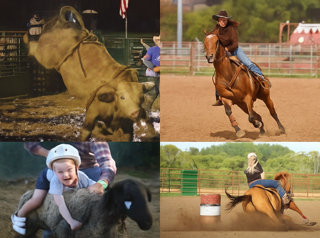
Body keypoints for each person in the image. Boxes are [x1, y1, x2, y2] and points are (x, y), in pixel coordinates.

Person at [11, 144, 96, 235]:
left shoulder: (81, 176)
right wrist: (71, 222)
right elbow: (60, 205)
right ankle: (18, 216)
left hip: (61, 177)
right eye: (60, 171)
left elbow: (96, 186)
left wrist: (100, 186)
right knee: (37, 199)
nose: (66, 175)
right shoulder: (56, 181)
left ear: (76, 168)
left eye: (69, 170)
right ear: (54, 172)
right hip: (46, 177)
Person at [210, 10, 266, 106]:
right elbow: (211, 36)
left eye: (224, 20)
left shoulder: (231, 29)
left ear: (227, 21)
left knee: (247, 63)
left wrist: (229, 48)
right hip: (224, 52)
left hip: (235, 49)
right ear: (218, 21)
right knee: (219, 72)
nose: (222, 22)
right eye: (220, 20)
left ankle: (262, 78)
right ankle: (218, 96)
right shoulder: (217, 29)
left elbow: (235, 43)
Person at [24, 142, 117, 194]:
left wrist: (101, 184)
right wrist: (51, 154)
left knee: (103, 195)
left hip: (89, 169)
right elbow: (30, 143)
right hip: (59, 170)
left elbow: (107, 162)